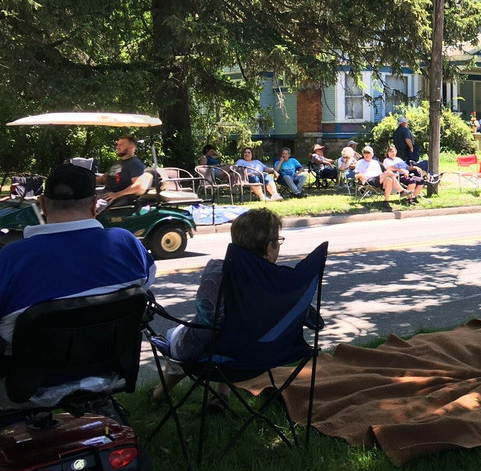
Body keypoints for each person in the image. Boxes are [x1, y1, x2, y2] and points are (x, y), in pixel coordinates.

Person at [0, 164, 155, 407]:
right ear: (95, 204)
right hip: (109, 370)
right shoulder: (127, 244)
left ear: (41, 203)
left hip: (28, 383)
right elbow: (146, 286)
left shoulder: (10, 258)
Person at [150, 208, 284, 405]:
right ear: (269, 247)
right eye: (278, 241)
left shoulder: (216, 273)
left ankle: (160, 394)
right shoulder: (283, 280)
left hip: (219, 355)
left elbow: (206, 325)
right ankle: (222, 394)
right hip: (260, 354)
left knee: (178, 334)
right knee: (230, 335)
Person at [98, 134, 154, 206]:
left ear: (131, 147)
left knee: (87, 208)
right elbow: (103, 179)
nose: (117, 147)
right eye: (117, 144)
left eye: (121, 145)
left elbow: (138, 185)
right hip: (105, 192)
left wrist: (116, 195)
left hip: (117, 197)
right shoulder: (117, 163)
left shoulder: (134, 164)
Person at [356, 145, 405, 212]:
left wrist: (390, 175)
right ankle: (401, 190)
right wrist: (361, 176)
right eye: (365, 152)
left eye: (368, 153)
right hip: (369, 181)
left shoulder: (376, 162)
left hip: (378, 181)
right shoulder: (360, 162)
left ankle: (386, 202)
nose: (366, 154)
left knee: (389, 179)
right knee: (388, 172)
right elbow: (356, 175)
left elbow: (380, 174)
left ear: (372, 154)